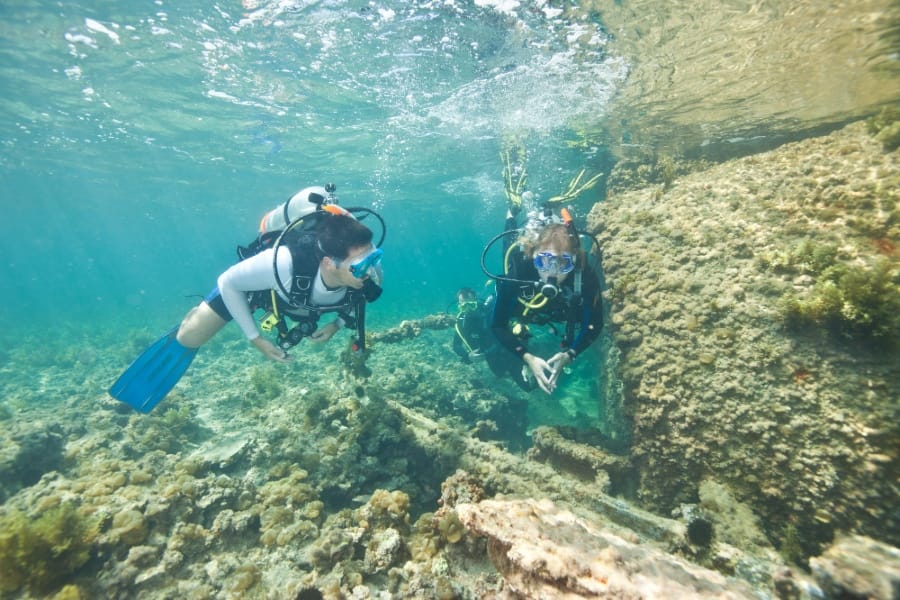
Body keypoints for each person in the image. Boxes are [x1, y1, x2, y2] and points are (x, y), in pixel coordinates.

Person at [110, 186, 385, 413]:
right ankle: (188, 326)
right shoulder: (284, 263)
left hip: (301, 299)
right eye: (361, 265)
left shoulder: (370, 271)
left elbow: (359, 297)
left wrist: (336, 324)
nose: (370, 270)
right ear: (328, 262)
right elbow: (228, 281)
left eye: (374, 258)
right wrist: (256, 339)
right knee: (191, 336)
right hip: (266, 290)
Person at [487, 206, 603, 394]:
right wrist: (526, 357)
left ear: (573, 261)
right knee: (509, 248)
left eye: (563, 263)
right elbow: (498, 325)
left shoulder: (584, 274)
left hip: (553, 310)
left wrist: (571, 354)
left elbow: (595, 323)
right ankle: (510, 215)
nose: (552, 272)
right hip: (523, 302)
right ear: (533, 257)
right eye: (544, 261)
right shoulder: (521, 269)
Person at [451, 287, 495, 363]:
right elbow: (456, 345)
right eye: (464, 307)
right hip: (490, 359)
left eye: (471, 305)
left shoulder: (488, 313)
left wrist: (488, 353)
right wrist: (467, 356)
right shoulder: (461, 322)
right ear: (459, 306)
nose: (468, 310)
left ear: (476, 301)